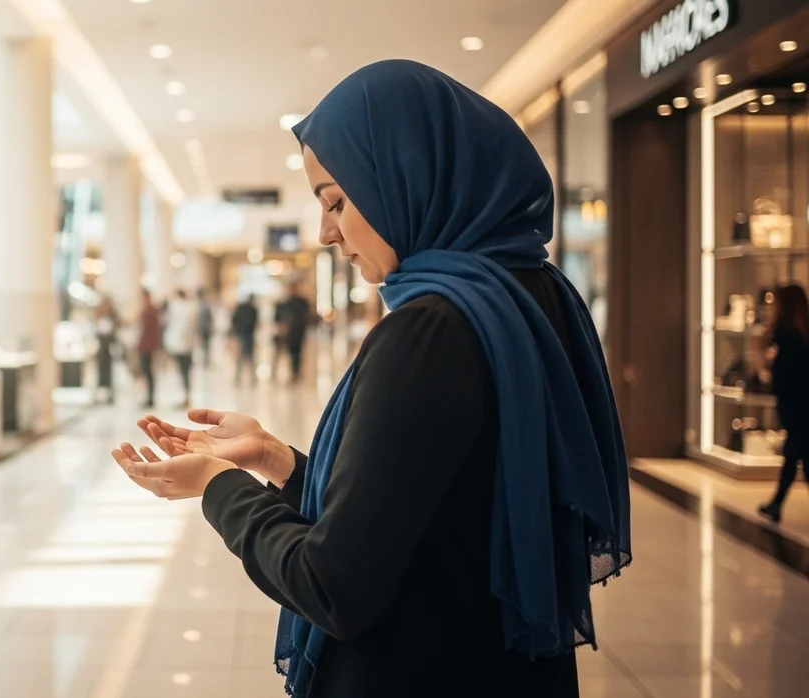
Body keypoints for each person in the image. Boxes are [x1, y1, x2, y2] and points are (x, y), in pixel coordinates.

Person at [111, 61, 630, 698]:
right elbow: (430, 514)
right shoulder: (532, 293)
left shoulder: (431, 331)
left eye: (337, 200)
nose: (327, 232)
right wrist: (276, 459)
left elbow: (333, 584)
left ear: (407, 179)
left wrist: (218, 487)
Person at [759, 284, 809, 524]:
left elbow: (786, 373)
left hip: (795, 406)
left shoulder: (786, 334)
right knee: (794, 454)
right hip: (801, 405)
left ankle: (776, 504)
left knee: (797, 453)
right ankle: (776, 504)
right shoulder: (801, 332)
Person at [163, 289, 198, 408]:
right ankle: (184, 396)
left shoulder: (182, 310)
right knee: (183, 373)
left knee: (183, 372)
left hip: (181, 346)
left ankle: (185, 397)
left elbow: (179, 329)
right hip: (184, 346)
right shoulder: (189, 309)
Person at [276, 282, 313, 382]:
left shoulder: (302, 302)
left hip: (299, 331)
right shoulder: (285, 303)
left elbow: (308, 315)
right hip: (289, 332)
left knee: (298, 352)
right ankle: (292, 372)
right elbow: (279, 318)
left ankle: (296, 372)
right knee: (290, 352)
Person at [136, 289, 162, 408]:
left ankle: (150, 397)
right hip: (146, 344)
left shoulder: (150, 310)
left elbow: (150, 330)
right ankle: (149, 396)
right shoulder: (149, 310)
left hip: (147, 345)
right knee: (146, 372)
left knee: (148, 372)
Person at [95, 296, 119, 404]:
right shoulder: (99, 317)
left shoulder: (112, 318)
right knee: (101, 372)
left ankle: (109, 393)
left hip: (108, 349)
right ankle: (101, 393)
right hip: (101, 348)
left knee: (108, 372)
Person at [231, 295, 259, 387]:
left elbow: (234, 320)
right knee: (247, 357)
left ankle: (240, 378)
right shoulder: (251, 309)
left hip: (245, 335)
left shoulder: (245, 308)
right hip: (246, 335)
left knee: (244, 357)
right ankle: (248, 378)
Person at [197, 289, 215, 367]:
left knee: (205, 345)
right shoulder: (198, 305)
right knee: (204, 345)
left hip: (204, 329)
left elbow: (210, 318)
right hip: (203, 329)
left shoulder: (202, 305)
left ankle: (205, 360)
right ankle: (204, 359)